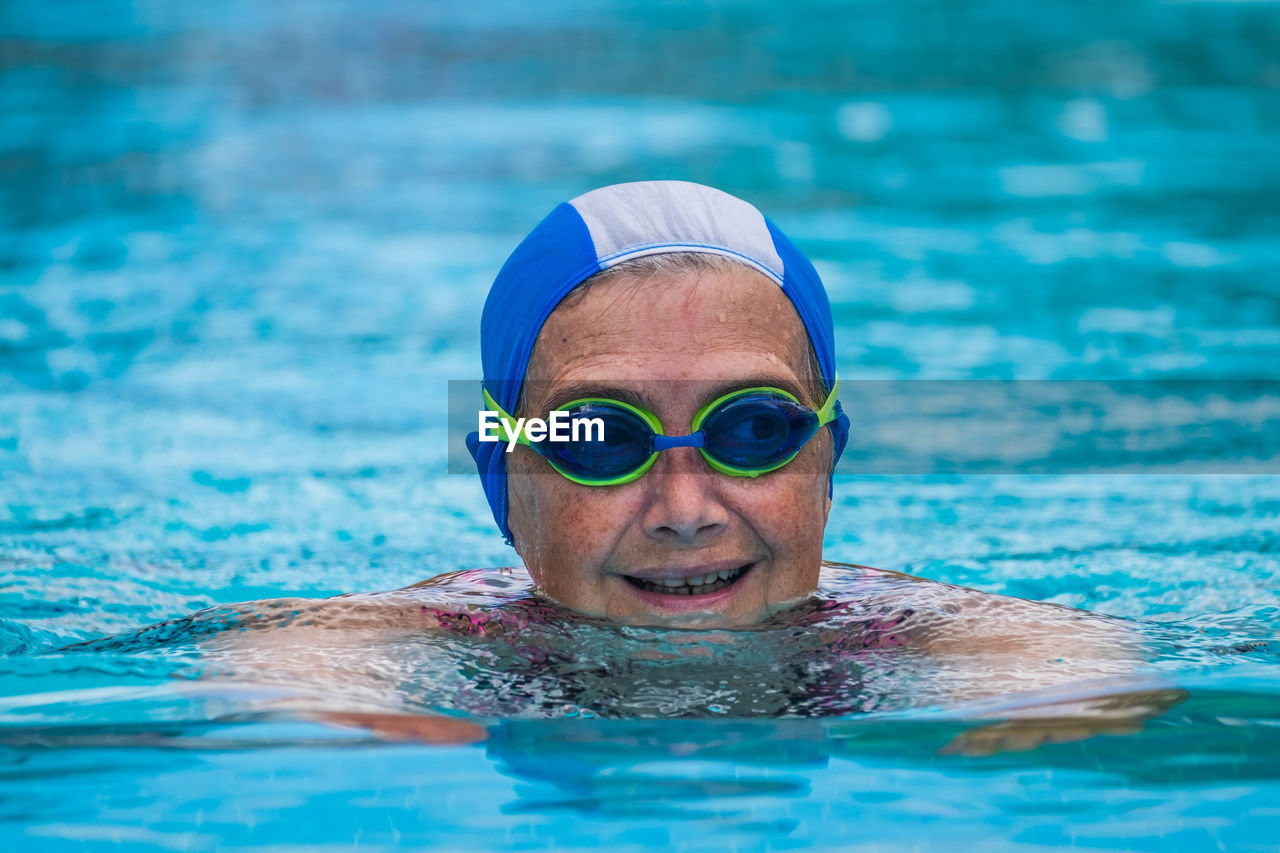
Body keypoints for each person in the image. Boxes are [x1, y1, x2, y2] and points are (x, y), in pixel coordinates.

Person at [171, 181, 1179, 749]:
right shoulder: (449, 636)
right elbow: (281, 666)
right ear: (503, 478)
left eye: (751, 431)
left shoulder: (895, 632)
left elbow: (1066, 664)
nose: (684, 508)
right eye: (601, 439)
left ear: (826, 455)